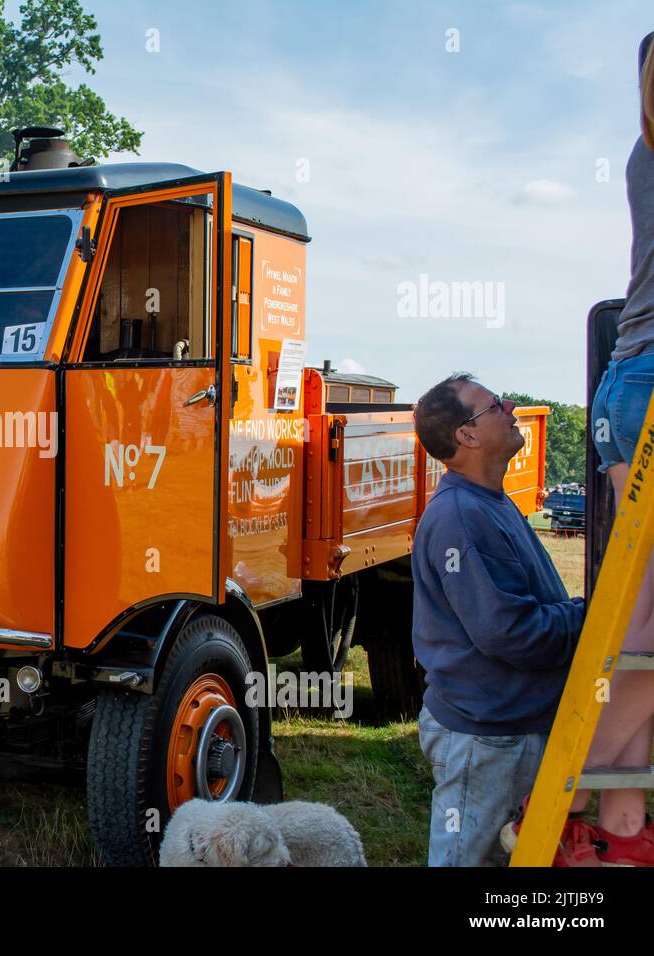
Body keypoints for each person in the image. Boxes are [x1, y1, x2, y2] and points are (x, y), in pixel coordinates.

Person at [410, 374, 586, 866]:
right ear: (465, 435)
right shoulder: (462, 516)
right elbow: (509, 632)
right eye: (493, 406)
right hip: (487, 739)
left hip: (506, 730)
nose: (511, 406)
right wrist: (587, 618)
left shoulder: (492, 503)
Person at [567, 30, 654, 866]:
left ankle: (619, 825)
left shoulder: (642, 146)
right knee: (650, 619)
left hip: (631, 379)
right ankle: (578, 778)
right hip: (647, 376)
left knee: (643, 616)